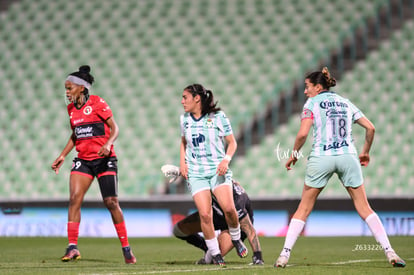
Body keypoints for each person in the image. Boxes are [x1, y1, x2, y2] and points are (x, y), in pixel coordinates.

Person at [274, 67, 406, 268]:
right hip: (347, 156)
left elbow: (302, 134)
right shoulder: (345, 102)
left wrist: (294, 155)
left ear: (318, 87)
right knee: (364, 207)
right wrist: (365, 152)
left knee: (303, 209)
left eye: (307, 87)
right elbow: (371, 128)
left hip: (321, 157)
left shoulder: (311, 103)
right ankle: (391, 252)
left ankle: (284, 256)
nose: (305, 91)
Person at [51, 65, 136, 264]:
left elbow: (115, 128)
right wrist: (63, 155)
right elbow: (76, 134)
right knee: (74, 199)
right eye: (66, 88)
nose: (67, 92)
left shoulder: (98, 103)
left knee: (111, 203)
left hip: (104, 159)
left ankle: (126, 248)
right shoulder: (71, 109)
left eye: (69, 87)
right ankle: (72, 247)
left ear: (82, 87)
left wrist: (108, 144)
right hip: (84, 160)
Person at [179, 84, 248, 267]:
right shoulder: (184, 119)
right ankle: (216, 254)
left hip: (217, 171)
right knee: (205, 215)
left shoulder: (218, 117)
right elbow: (184, 142)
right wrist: (182, 163)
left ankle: (236, 238)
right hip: (196, 173)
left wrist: (226, 160)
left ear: (197, 99)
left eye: (185, 97)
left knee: (229, 210)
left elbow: (232, 143)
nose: (182, 101)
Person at [161, 165, 263, 265]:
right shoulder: (209, 182)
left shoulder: (237, 201)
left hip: (236, 225)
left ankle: (232, 242)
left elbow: (249, 229)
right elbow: (197, 173)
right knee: (178, 230)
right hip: (216, 214)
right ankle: (207, 247)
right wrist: (179, 171)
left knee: (212, 259)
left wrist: (257, 256)